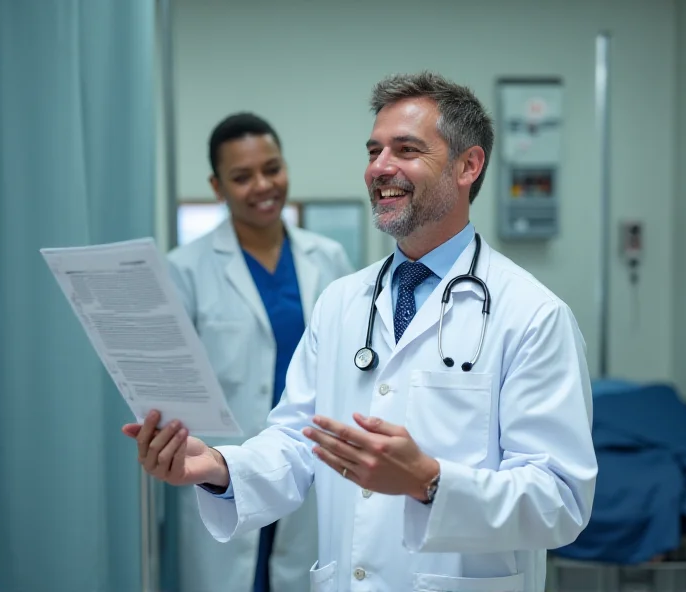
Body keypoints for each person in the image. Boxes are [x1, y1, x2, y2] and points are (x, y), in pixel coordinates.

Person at [125, 72, 598, 592]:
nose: (380, 168)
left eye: (406, 149)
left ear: (469, 165)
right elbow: (297, 440)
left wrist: (429, 482)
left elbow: (561, 501)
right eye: (374, 150)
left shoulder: (532, 315)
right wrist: (217, 465)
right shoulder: (342, 302)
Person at [165, 113, 354, 592]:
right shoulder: (184, 269)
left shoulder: (327, 257)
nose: (263, 186)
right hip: (223, 470)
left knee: (302, 574)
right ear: (217, 186)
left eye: (272, 168)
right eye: (242, 176)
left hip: (308, 466)